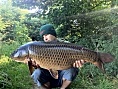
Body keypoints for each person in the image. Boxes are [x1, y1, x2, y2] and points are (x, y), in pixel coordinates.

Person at [29, 24, 85, 89]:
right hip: (48, 76)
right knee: (36, 73)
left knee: (73, 70)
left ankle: (63, 88)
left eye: (47, 35)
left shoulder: (65, 45)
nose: (45, 38)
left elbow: (77, 59)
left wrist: (78, 63)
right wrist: (35, 65)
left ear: (53, 34)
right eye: (43, 36)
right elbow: (36, 68)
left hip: (62, 74)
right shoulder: (41, 48)